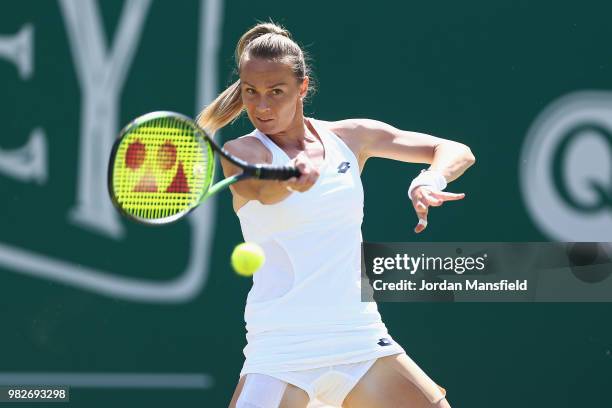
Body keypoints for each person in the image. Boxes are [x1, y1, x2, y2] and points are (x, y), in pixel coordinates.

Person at [197, 21, 475, 408]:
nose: (261, 106)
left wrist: (430, 179)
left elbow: (454, 149)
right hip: (283, 352)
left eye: (276, 92)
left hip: (359, 339)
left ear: (302, 88)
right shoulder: (243, 152)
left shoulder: (352, 137)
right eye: (251, 92)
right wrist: (292, 180)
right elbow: (259, 187)